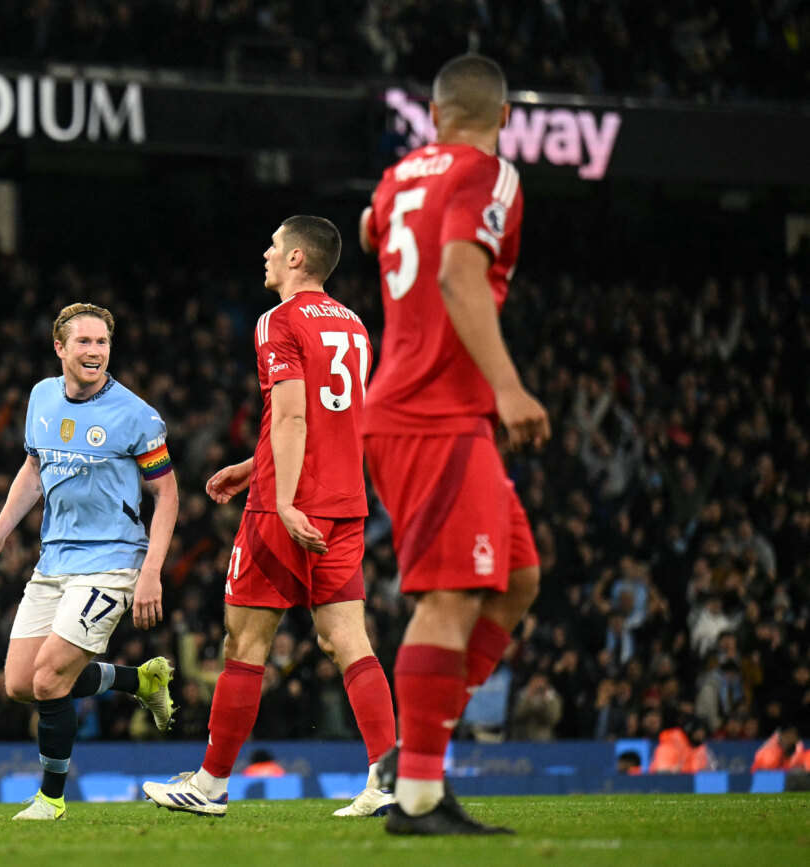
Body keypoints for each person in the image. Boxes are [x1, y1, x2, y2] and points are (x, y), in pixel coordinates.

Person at [142, 216, 397, 818]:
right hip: (344, 501)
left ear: (298, 259)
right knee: (347, 639)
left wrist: (278, 496)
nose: (266, 253)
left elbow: (291, 418)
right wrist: (252, 466)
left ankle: (209, 785)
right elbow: (331, 421)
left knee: (245, 642)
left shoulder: (277, 321)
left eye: (275, 246)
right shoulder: (355, 326)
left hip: (286, 508)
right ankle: (387, 778)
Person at [359, 54, 550, 835]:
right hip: (434, 410)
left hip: (423, 407)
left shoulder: (398, 174)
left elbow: (377, 235)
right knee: (450, 598)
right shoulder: (492, 174)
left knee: (518, 579)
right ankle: (418, 794)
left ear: (433, 115)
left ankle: (415, 755)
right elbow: (456, 277)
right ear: (505, 117)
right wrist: (509, 385)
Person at [0, 302, 180, 821]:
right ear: (59, 348)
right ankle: (139, 681)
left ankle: (52, 798)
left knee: (48, 682)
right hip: (53, 560)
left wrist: (150, 570)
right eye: (83, 342)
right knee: (20, 684)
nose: (94, 352)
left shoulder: (136, 416)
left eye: (102, 342)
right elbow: (34, 469)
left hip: (111, 562)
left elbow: (167, 495)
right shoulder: (40, 397)